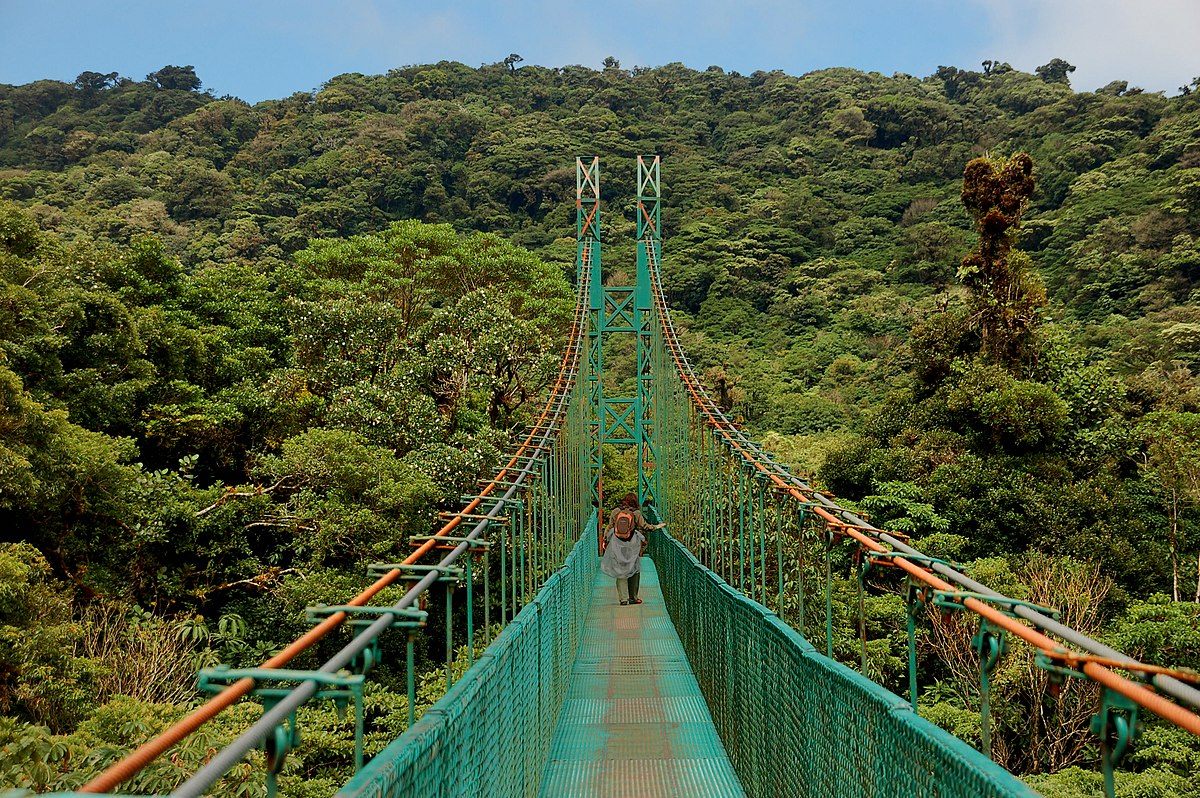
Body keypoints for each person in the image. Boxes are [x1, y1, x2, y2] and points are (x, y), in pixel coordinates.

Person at [599, 493, 665, 605]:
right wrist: (656, 527)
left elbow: (609, 527)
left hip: (617, 544)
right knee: (634, 569)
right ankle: (633, 597)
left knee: (620, 570)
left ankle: (623, 599)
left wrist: (604, 540)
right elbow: (645, 526)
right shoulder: (636, 513)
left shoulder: (616, 511)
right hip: (632, 545)